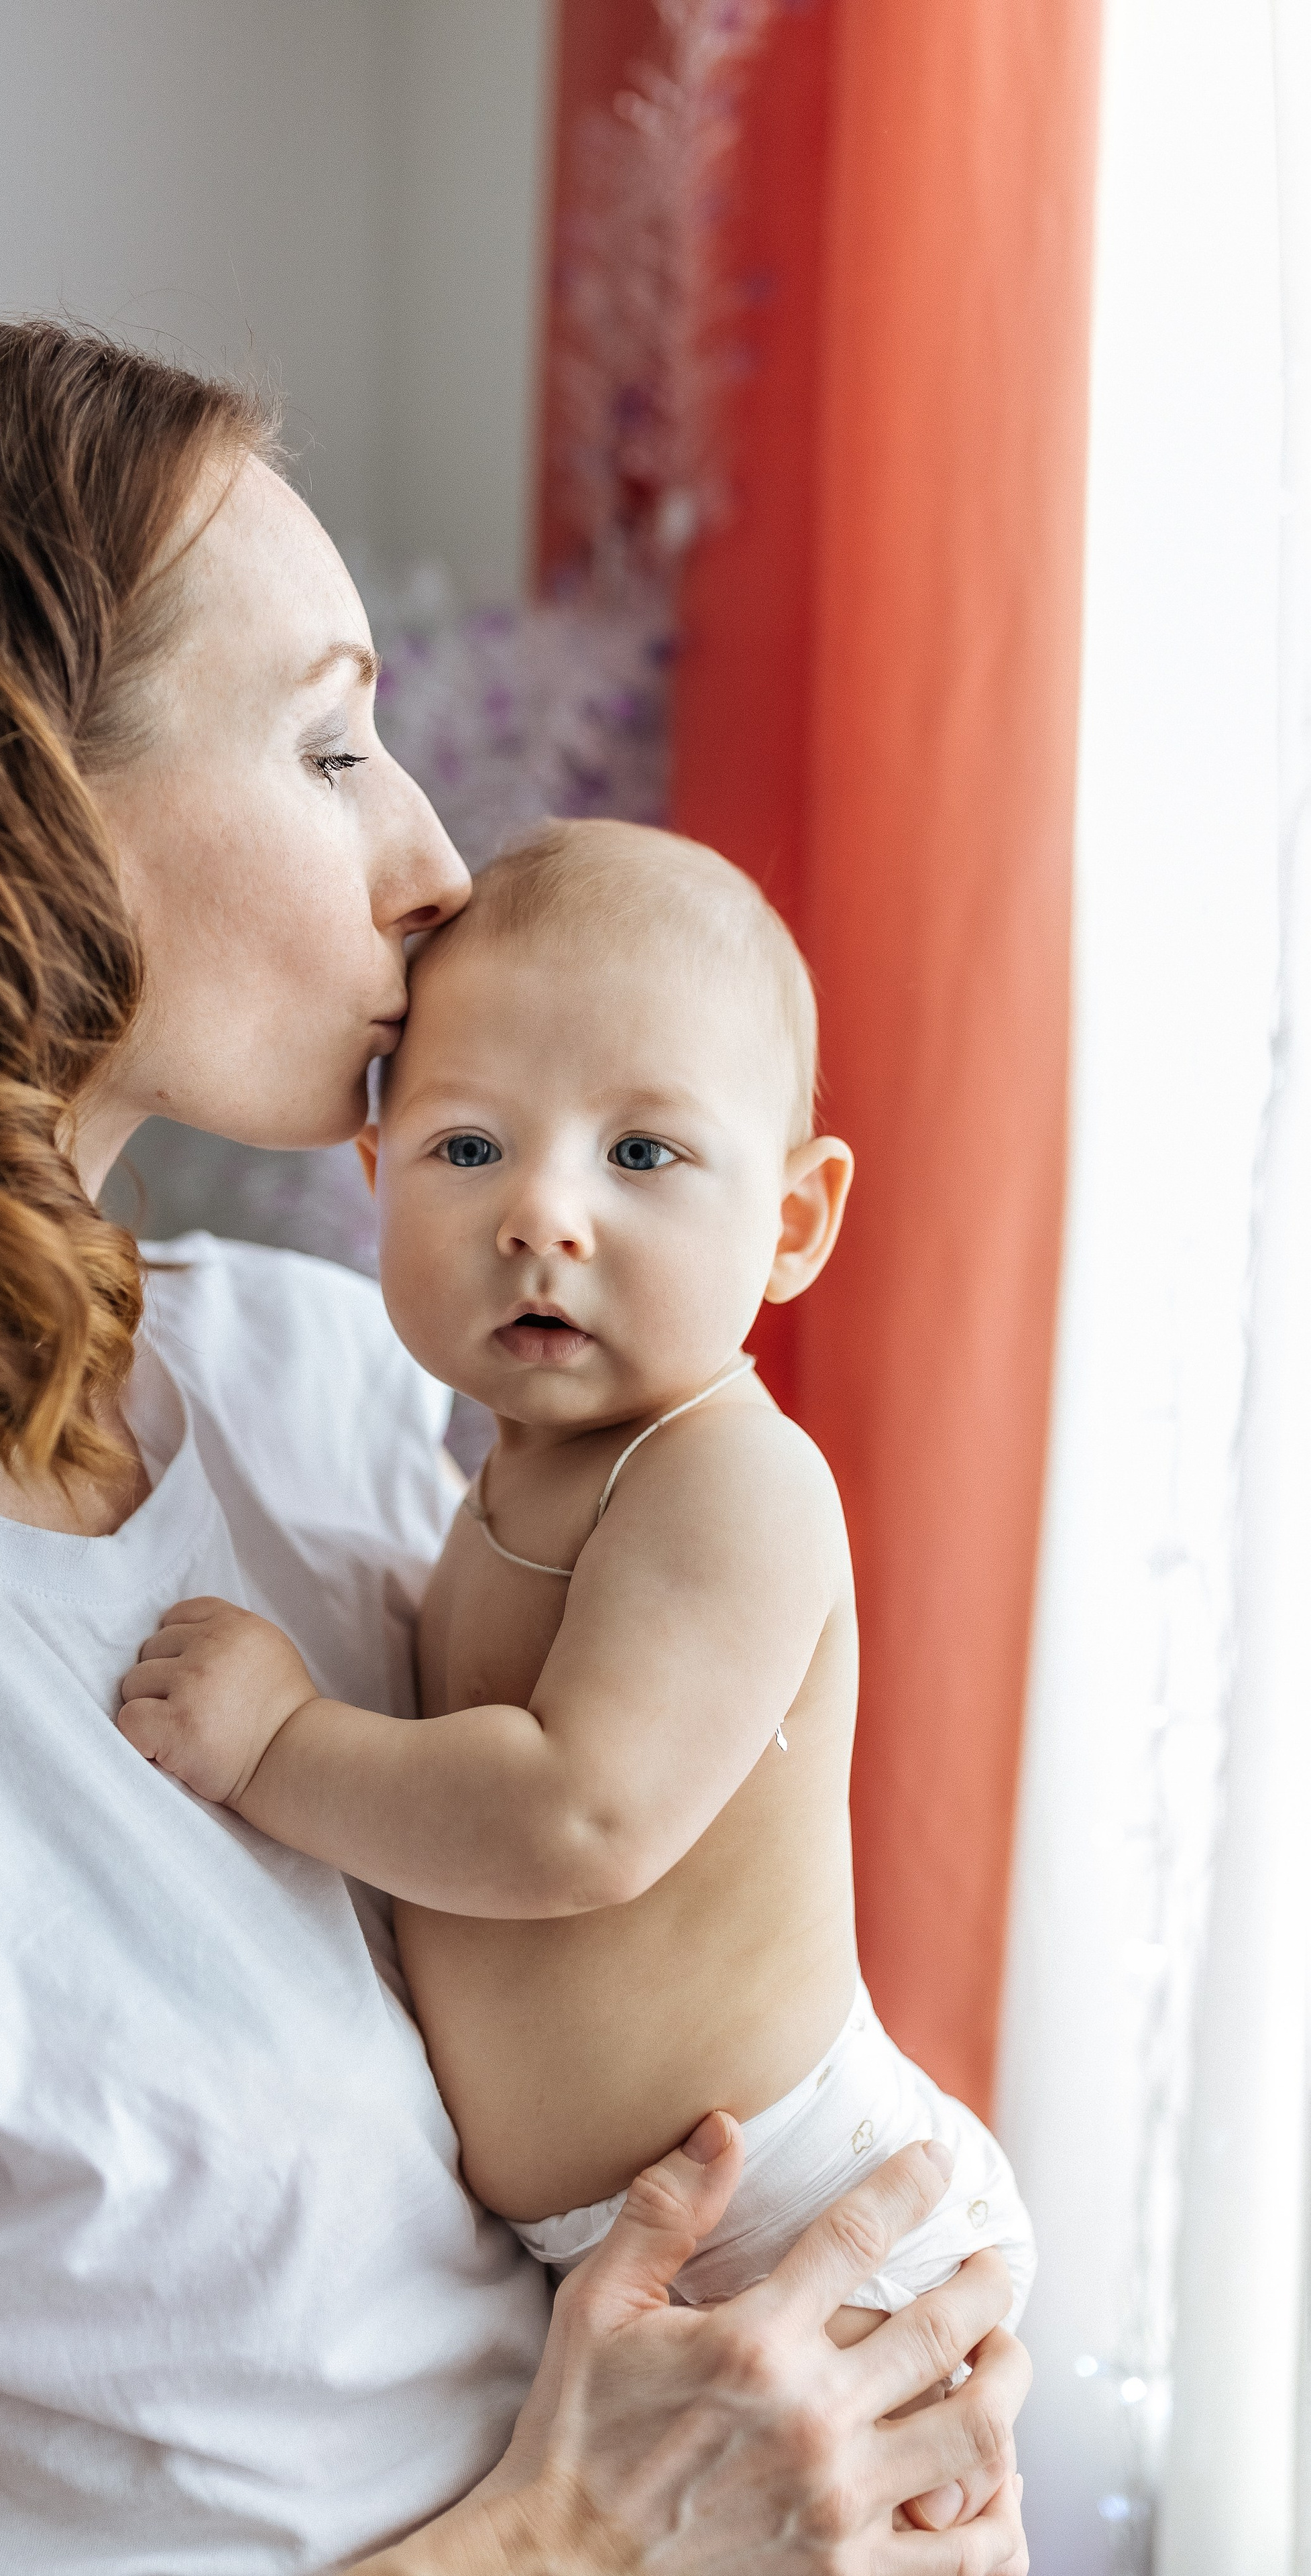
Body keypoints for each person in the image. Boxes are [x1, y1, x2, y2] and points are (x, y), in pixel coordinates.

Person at [0, 319, 1029, 2575]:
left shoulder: (328, 1387)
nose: (443, 864)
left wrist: (855, 2373)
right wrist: (565, 2540)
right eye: (334, 742)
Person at [117, 820, 1034, 2410]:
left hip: (801, 2221)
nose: (541, 1213)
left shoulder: (727, 1482)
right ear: (372, 1177)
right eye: (466, 1149)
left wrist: (280, 1744)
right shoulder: (516, 1471)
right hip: (632, 2246)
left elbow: (577, 1816)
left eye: (640, 1154)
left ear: (795, 1221)